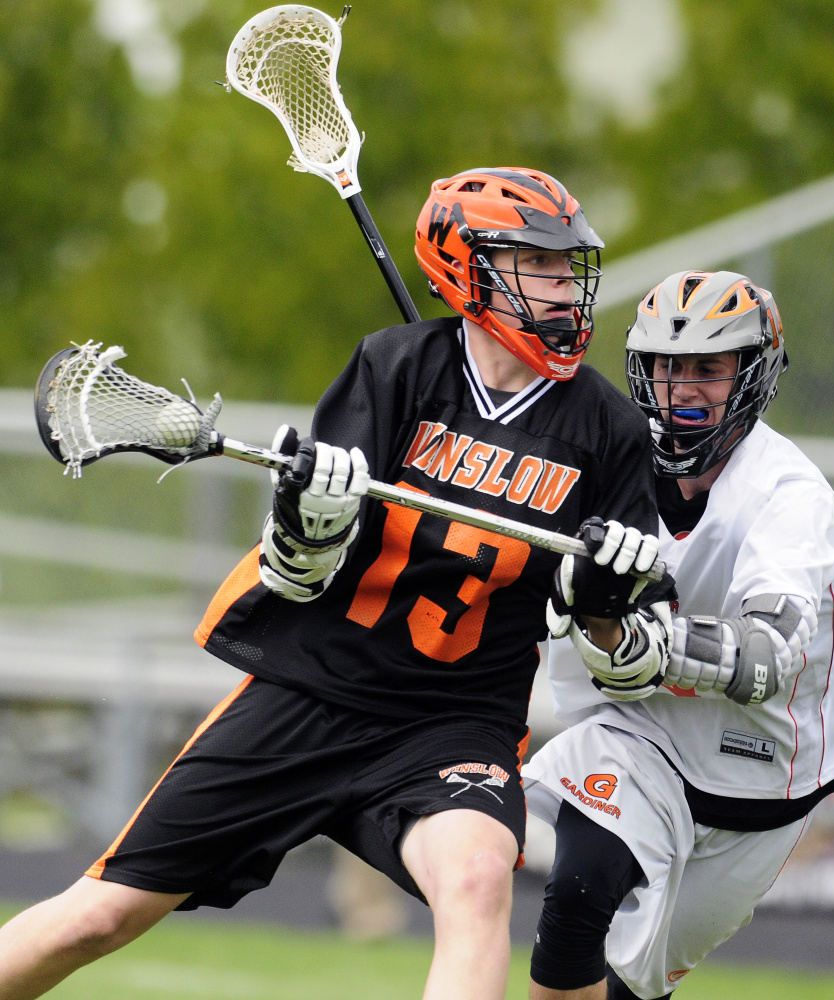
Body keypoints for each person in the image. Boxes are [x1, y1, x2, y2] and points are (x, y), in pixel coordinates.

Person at [0, 168, 673, 1000]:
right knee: (98, 917)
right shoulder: (395, 367)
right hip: (312, 694)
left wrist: (607, 613)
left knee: (476, 885)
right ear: (468, 268)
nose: (563, 290)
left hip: (452, 725)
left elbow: (631, 660)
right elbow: (299, 570)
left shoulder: (605, 428)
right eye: (536, 265)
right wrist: (313, 520)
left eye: (567, 267)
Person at [523, 269, 834, 1000]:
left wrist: (651, 643)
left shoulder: (791, 500)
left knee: (632, 987)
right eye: (667, 367)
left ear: (753, 373)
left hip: (762, 778)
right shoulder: (608, 462)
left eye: (707, 368)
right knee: (579, 894)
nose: (682, 389)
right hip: (640, 735)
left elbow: (768, 656)